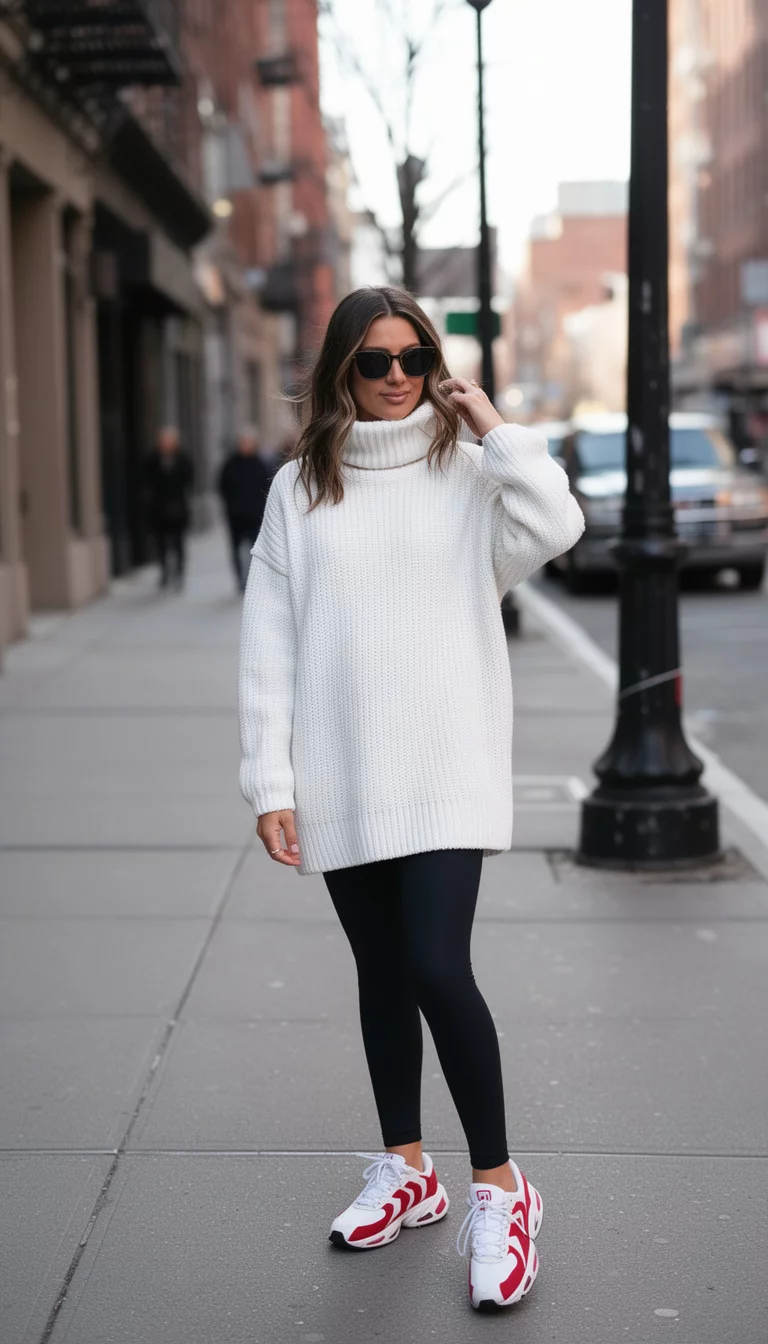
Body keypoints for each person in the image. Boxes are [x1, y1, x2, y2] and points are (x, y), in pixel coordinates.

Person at [237, 287, 585, 1312]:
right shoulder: (299, 490)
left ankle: (500, 1188)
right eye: (375, 361)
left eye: (414, 358)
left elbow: (558, 526)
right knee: (382, 972)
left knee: (436, 961)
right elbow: (269, 644)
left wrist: (492, 426)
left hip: (444, 767)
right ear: (341, 369)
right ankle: (406, 1171)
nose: (396, 377)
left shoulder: (473, 475)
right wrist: (270, 781)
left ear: (436, 364)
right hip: (340, 767)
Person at [217, 427, 275, 592]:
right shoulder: (230, 465)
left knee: (255, 550)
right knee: (235, 548)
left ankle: (253, 578)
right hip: (235, 515)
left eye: (248, 443)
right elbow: (222, 486)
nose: (245, 446)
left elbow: (267, 488)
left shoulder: (260, 464)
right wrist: (230, 504)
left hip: (255, 515)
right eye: (243, 443)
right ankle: (239, 579)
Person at [144, 426, 194, 590]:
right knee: (161, 543)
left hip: (178, 508)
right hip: (159, 509)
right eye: (164, 441)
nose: (167, 444)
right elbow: (146, 480)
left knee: (178, 542)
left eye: (170, 441)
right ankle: (165, 571)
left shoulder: (183, 459)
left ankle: (179, 572)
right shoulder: (153, 459)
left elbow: (189, 479)